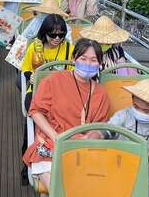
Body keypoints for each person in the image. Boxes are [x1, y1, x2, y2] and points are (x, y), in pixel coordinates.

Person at [22, 38, 110, 190]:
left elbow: (102, 126)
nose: (88, 64)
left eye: (94, 60)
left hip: (85, 149)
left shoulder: (101, 93)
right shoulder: (53, 80)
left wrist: (93, 136)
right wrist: (55, 136)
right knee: (61, 190)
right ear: (73, 59)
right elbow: (36, 111)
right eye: (83, 59)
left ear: (100, 64)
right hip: (51, 144)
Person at [88, 78, 149, 179]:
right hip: (118, 164)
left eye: (146, 111)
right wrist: (99, 134)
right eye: (136, 107)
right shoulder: (124, 115)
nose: (140, 112)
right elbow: (110, 129)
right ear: (132, 100)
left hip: (145, 170)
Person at [21, 14, 74, 106]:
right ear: (45, 33)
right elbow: (26, 68)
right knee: (32, 106)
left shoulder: (70, 49)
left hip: (61, 89)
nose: (57, 38)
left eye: (61, 34)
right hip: (38, 88)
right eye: (53, 35)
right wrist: (31, 77)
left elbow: (73, 71)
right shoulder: (34, 47)